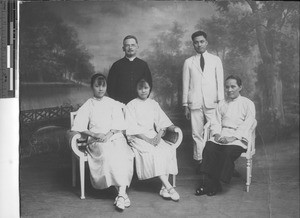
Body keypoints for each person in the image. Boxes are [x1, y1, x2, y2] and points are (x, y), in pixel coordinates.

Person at [71, 73, 134, 211]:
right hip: (96, 139)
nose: (100, 89)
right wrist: (94, 134)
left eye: (103, 85)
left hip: (113, 136)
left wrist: (109, 134)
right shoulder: (89, 104)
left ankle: (121, 195)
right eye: (97, 86)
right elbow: (79, 125)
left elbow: (118, 123)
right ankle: (122, 195)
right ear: (92, 87)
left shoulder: (111, 103)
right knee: (107, 154)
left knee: (123, 154)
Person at [195, 75, 256, 196]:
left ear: (240, 87)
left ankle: (212, 185)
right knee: (209, 148)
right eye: (227, 87)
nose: (229, 90)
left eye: (233, 86)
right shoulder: (222, 103)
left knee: (227, 152)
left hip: (238, 138)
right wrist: (217, 134)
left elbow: (249, 123)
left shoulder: (247, 103)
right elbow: (216, 121)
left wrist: (233, 137)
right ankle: (214, 184)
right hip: (222, 135)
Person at [125, 78, 180, 202]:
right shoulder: (131, 105)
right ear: (136, 89)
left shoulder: (153, 104)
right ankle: (169, 186)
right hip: (137, 137)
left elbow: (162, 122)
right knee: (152, 152)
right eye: (140, 88)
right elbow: (132, 128)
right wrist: (148, 140)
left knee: (167, 150)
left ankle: (163, 188)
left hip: (153, 135)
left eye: (146, 88)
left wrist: (158, 136)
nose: (143, 91)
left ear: (150, 89)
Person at [182, 30, 224, 165]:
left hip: (213, 102)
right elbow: (186, 84)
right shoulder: (188, 62)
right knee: (197, 133)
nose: (199, 45)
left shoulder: (215, 60)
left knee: (214, 130)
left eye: (201, 42)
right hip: (194, 102)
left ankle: (214, 160)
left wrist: (221, 102)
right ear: (193, 45)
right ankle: (199, 160)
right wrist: (185, 104)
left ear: (206, 42)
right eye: (196, 43)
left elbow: (220, 82)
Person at [107, 35, 152, 104]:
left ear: (137, 47)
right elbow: (110, 88)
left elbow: (149, 85)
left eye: (133, 45)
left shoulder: (143, 65)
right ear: (123, 48)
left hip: (139, 104)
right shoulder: (116, 65)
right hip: (120, 105)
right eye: (127, 45)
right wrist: (118, 104)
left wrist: (142, 101)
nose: (130, 48)